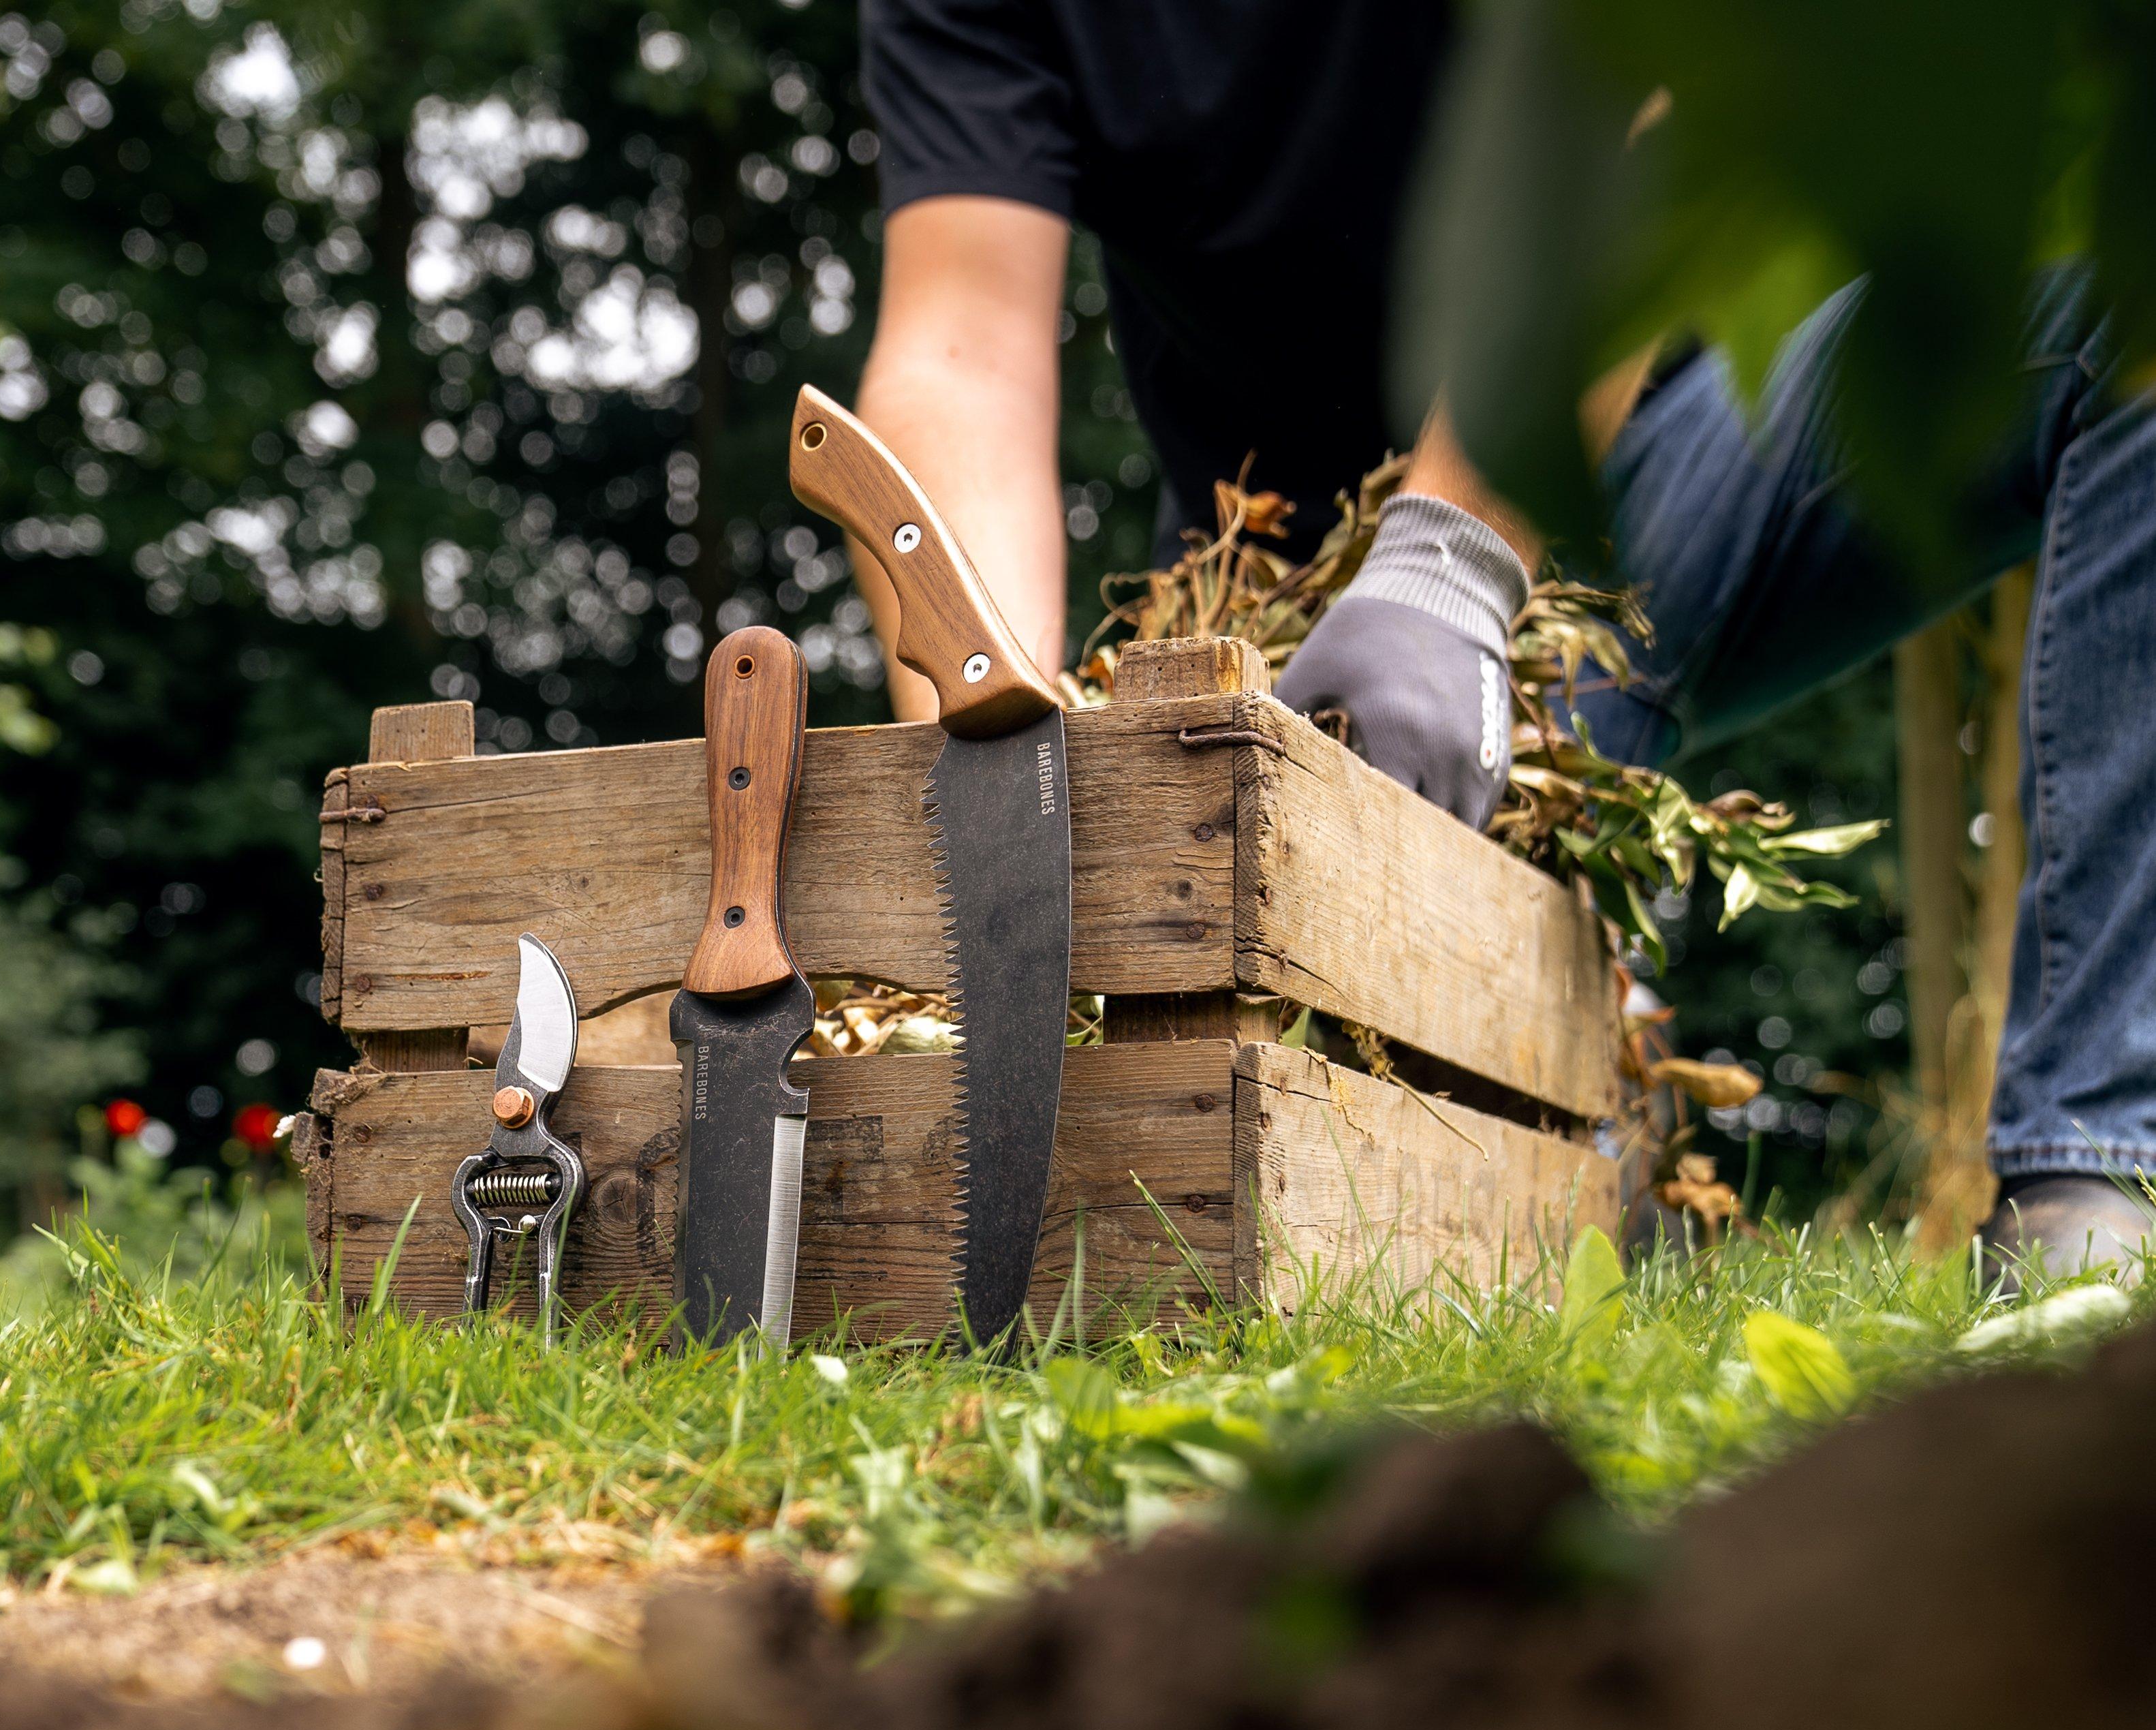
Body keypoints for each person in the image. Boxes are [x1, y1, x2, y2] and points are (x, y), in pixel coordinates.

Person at [849, 0, 2156, 1279]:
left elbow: (1633, 96)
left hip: (1645, 458)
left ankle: (2088, 1156)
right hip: (1277, 631)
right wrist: (990, 739)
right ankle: (1591, 1111)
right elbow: (961, 346)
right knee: (1457, 1142)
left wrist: (1450, 560)